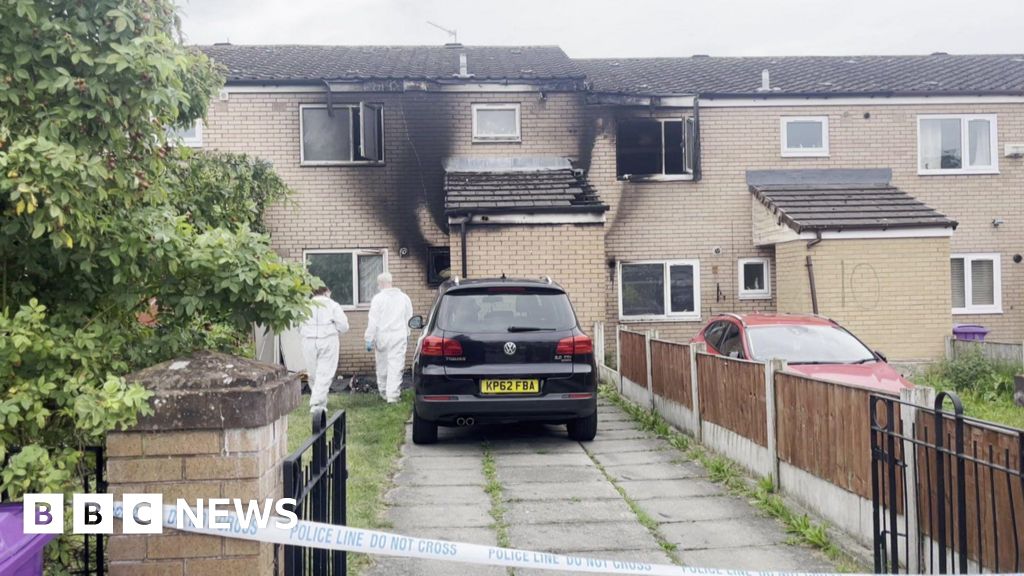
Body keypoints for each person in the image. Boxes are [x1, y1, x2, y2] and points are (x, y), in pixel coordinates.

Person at [299, 286, 349, 418]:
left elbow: (298, 325)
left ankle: (320, 403)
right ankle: (316, 402)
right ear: (327, 292)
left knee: (313, 373)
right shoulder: (333, 305)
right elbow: (344, 326)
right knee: (325, 372)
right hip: (328, 340)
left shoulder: (305, 305)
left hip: (308, 340)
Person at [364, 272, 413, 403]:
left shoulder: (378, 299)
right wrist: (408, 333)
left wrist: (369, 338)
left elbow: (373, 320)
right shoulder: (404, 298)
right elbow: (408, 317)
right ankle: (393, 396)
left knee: (382, 364)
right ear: (391, 282)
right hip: (398, 335)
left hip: (382, 336)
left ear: (380, 283)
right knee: (396, 365)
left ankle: (384, 392)